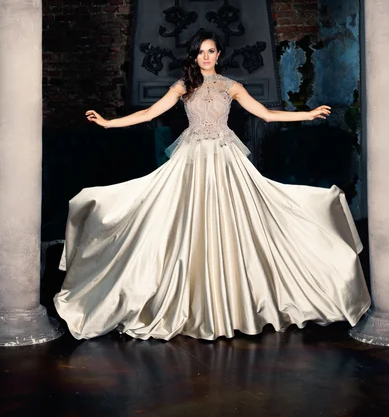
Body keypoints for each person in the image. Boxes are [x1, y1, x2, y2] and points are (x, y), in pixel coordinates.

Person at [54, 30, 371, 341]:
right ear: (194, 56)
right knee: (178, 222)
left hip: (224, 160)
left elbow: (266, 115)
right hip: (191, 162)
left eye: (210, 51)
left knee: (235, 224)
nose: (205, 57)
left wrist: (308, 113)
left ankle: (233, 302)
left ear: (219, 54)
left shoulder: (230, 86)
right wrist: (109, 122)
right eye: (200, 52)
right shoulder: (184, 86)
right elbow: (151, 112)